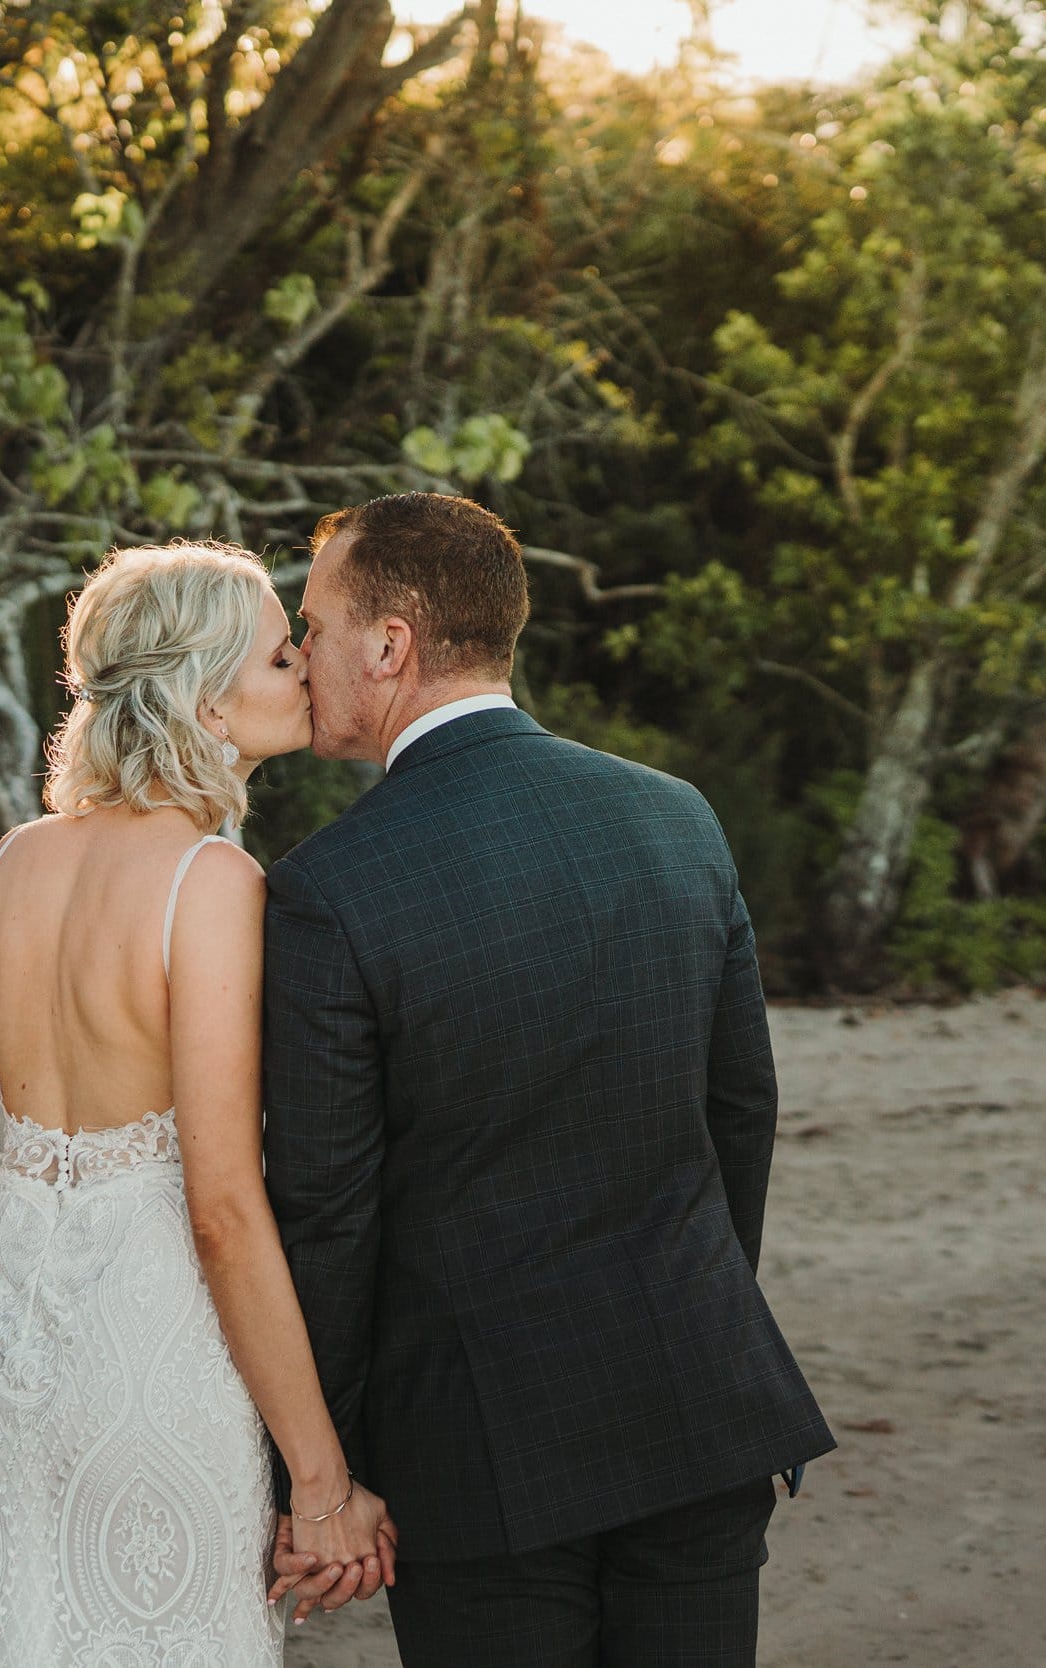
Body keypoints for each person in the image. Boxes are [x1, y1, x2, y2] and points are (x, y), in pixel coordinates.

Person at [0, 541, 391, 1665]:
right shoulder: (213, 884)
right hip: (150, 1354)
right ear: (205, 699)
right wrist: (320, 1480)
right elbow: (222, 1211)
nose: (304, 667)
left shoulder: (11, 865)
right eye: (278, 654)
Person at [261, 492, 838, 1666]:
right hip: (695, 1397)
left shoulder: (329, 887)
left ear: (390, 644)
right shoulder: (674, 816)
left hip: (479, 1449)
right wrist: (694, 1308)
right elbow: (740, 1111)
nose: (298, 652)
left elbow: (328, 1210)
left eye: (312, 625)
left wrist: (320, 1470)